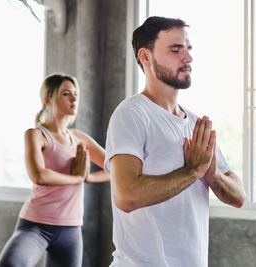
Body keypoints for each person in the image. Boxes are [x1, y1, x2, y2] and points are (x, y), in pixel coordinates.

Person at [105, 16, 246, 267]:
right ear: (146, 57)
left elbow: (238, 196)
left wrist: (212, 176)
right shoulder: (131, 114)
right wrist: (192, 172)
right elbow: (126, 196)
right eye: (175, 49)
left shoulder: (194, 122)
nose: (188, 58)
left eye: (188, 48)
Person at [0, 74, 109, 267]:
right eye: (66, 94)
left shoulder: (78, 138)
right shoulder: (37, 135)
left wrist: (88, 177)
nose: (74, 99)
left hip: (70, 230)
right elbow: (39, 175)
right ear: (47, 99)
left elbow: (115, 167)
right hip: (36, 225)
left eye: (75, 94)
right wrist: (76, 178)